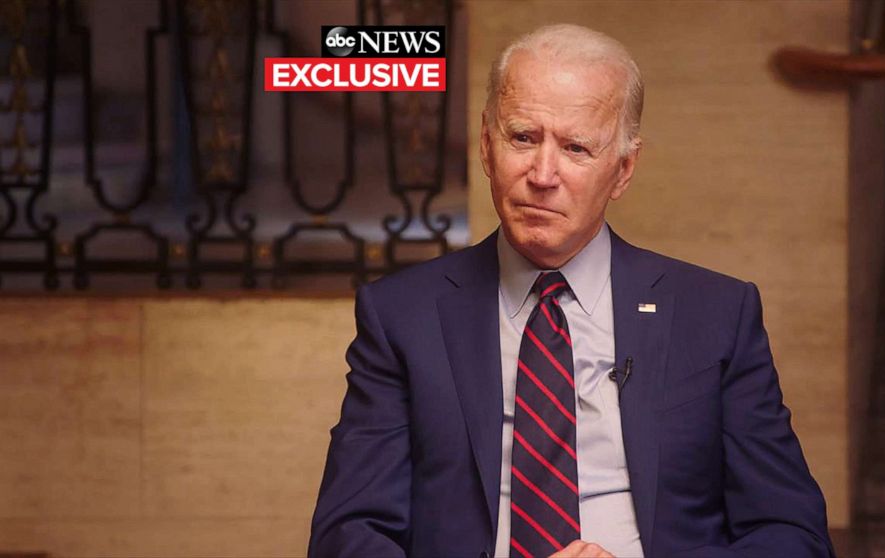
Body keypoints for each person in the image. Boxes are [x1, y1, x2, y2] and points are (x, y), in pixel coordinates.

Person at [309, 24, 835, 558]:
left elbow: (794, 535)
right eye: (523, 138)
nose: (542, 174)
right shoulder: (402, 315)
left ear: (623, 170)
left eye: (576, 147)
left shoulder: (717, 313)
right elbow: (347, 534)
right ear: (487, 147)